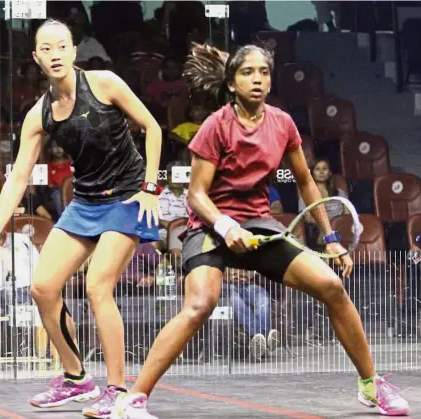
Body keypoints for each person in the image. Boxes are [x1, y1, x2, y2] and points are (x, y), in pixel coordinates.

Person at [113, 43, 410, 418]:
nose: (257, 79)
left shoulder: (282, 123)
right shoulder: (215, 126)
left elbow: (306, 182)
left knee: (333, 287)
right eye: (247, 72)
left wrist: (331, 239)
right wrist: (225, 225)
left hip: (259, 226)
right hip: (208, 225)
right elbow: (196, 195)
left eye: (264, 72)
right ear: (232, 83)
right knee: (199, 304)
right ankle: (133, 398)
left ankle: (371, 385)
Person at [0, 18, 162, 419]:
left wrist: (151, 187)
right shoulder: (39, 115)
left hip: (126, 198)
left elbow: (152, 128)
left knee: (97, 286)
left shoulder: (104, 82)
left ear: (73, 51)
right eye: (46, 49)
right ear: (36, 58)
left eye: (62, 47)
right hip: (85, 201)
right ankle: (75, 379)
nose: (55, 55)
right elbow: (18, 176)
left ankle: (118, 390)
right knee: (42, 287)